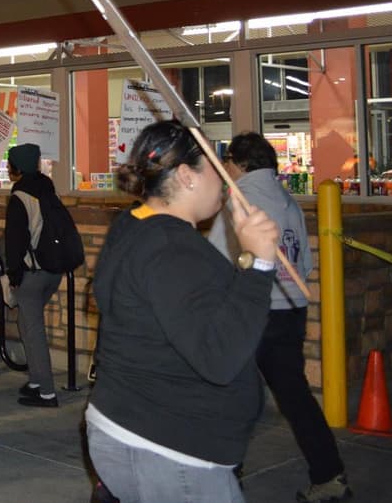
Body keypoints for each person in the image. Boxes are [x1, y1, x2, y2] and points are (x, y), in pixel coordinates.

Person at [87, 120, 280, 502]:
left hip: (127, 428)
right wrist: (259, 265)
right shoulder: (171, 248)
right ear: (187, 176)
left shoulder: (135, 223)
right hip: (169, 450)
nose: (224, 177)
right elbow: (219, 357)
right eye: (215, 166)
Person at [209, 132, 350, 503]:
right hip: (291, 308)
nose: (225, 168)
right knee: (295, 395)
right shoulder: (288, 201)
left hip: (252, 310)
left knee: (231, 393)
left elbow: (215, 260)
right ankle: (330, 474)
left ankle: (226, 473)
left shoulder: (240, 199)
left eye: (228, 161)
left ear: (240, 163)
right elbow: (304, 263)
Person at [3, 143, 68, 407]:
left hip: (32, 271)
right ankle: (36, 381)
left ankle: (47, 393)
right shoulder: (48, 189)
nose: (8, 168)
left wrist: (13, 274)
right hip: (53, 270)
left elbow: (15, 240)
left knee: (33, 330)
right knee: (26, 324)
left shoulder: (20, 196)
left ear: (17, 167)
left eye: (10, 164)